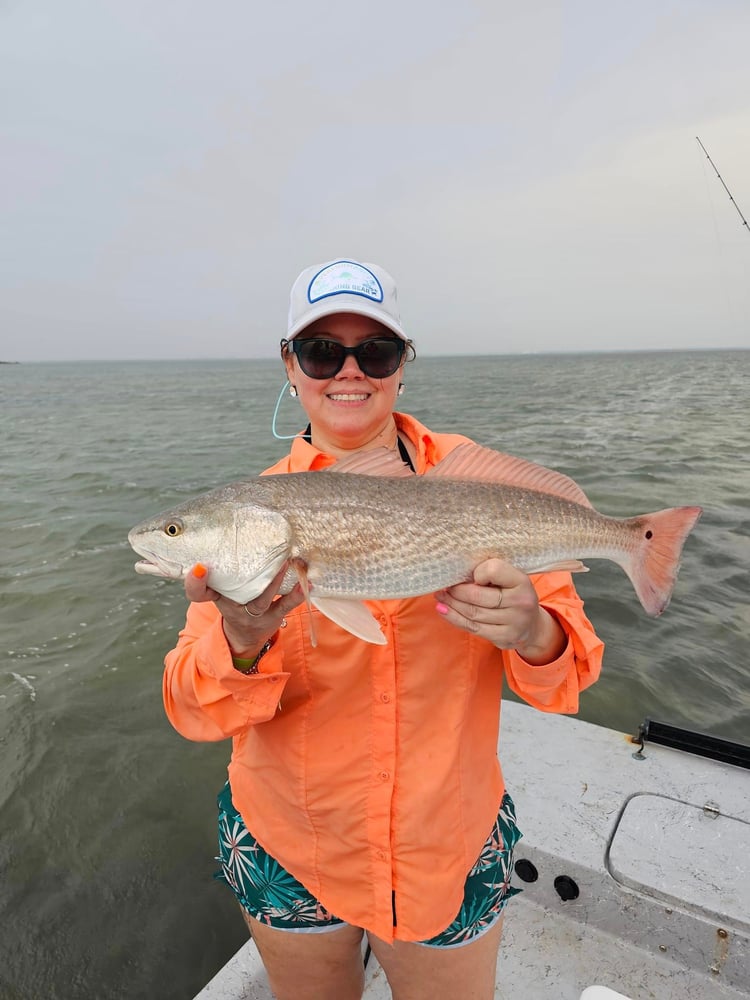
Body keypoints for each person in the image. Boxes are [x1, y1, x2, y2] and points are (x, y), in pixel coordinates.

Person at [163, 258, 605, 1000]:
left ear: (403, 366)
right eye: (320, 351)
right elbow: (187, 707)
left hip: (447, 848)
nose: (348, 372)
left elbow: (571, 676)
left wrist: (533, 631)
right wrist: (239, 642)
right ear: (290, 366)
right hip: (288, 845)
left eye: (375, 352)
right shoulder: (250, 518)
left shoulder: (480, 488)